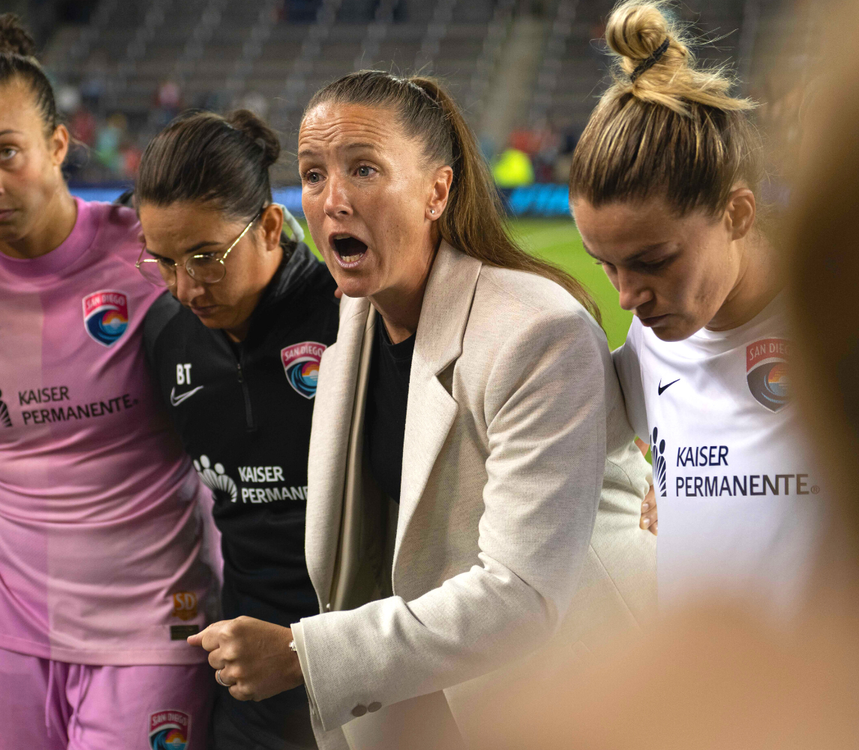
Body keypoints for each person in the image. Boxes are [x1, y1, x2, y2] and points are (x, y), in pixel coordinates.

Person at [192, 69, 657, 748]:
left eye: (364, 169)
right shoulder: (355, 313)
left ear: (438, 191)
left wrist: (303, 654)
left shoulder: (537, 333)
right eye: (314, 174)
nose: (334, 199)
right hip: (449, 703)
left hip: (587, 695)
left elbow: (520, 595)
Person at [0, 16, 217, 750]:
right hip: (4, 618)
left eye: (7, 153)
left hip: (155, 616)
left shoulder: (147, 255)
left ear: (57, 145)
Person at [567, 0, 826, 616]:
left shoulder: (832, 323)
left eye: (654, 261)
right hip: (706, 702)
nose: (627, 296)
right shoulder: (648, 342)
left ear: (737, 214)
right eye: (607, 263)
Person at [133, 109, 337, 749]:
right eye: (163, 263)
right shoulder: (165, 338)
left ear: (271, 227)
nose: (186, 287)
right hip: (254, 679)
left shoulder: (353, 313)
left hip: (377, 657)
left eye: (205, 258)